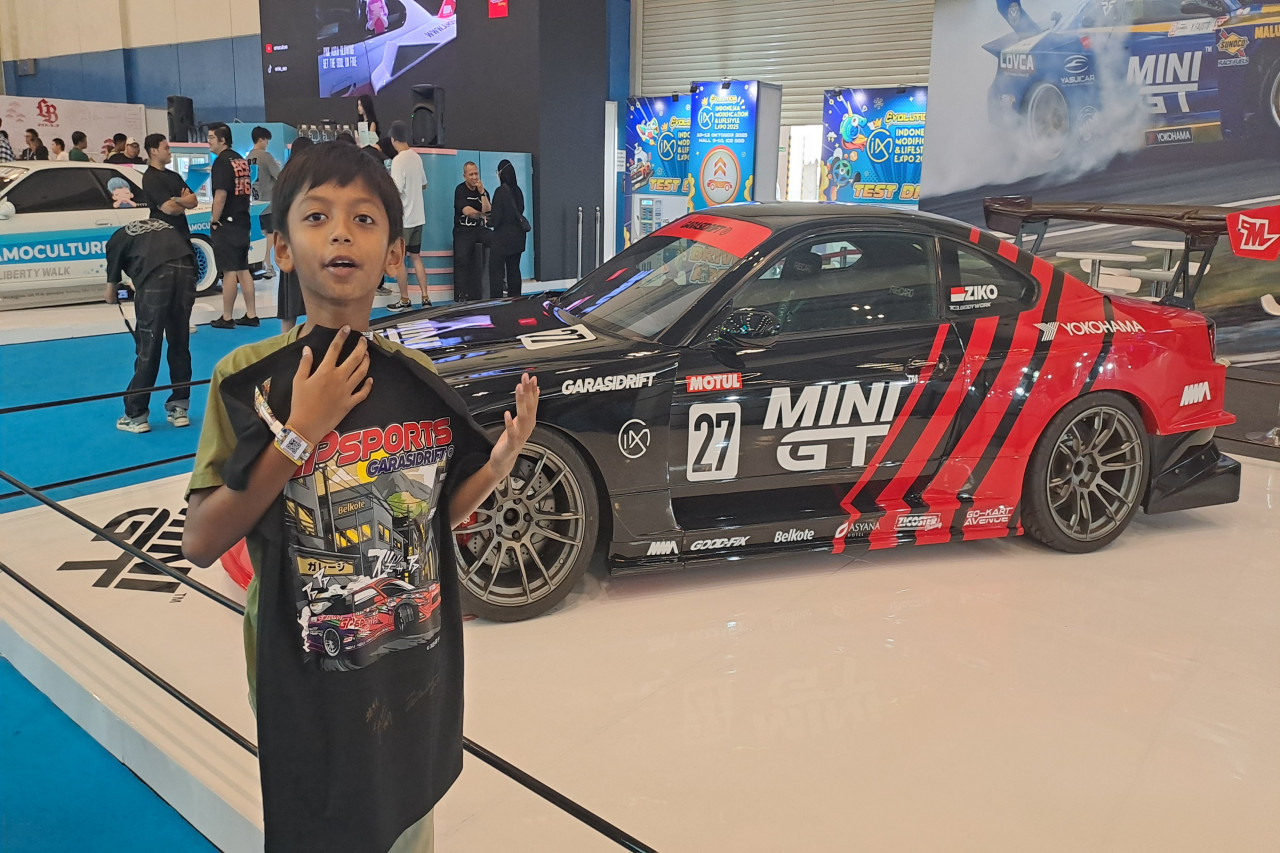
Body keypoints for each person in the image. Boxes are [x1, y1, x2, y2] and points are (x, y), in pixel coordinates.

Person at [181, 140, 540, 853]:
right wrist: (300, 433)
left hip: (410, 664)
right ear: (283, 248)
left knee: (406, 820)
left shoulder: (412, 377)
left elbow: (432, 518)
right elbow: (201, 539)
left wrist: (499, 462)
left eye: (364, 219)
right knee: (324, 822)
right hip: (303, 671)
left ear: (393, 253)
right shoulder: (250, 379)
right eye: (317, 216)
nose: (341, 233)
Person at [104, 212, 198, 434]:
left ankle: (135, 415)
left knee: (149, 346)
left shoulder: (115, 243)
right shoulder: (158, 228)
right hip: (187, 269)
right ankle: (179, 408)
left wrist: (119, 292)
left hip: (157, 275)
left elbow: (110, 294)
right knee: (179, 341)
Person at [206, 123, 259, 329]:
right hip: (242, 219)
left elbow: (220, 195)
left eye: (212, 137)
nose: (208, 141)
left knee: (229, 270)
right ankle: (251, 313)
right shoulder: (240, 159)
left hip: (227, 222)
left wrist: (214, 219)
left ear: (222, 140)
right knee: (243, 268)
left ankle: (227, 316)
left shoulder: (221, 162)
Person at [387, 120, 430, 311]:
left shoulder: (398, 160)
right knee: (416, 257)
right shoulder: (416, 157)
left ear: (393, 139)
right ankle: (425, 297)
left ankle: (404, 299)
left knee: (399, 261)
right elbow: (424, 184)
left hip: (404, 219)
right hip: (419, 218)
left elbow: (395, 190)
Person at [274, 136, 313, 333]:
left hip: (290, 242)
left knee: (289, 306)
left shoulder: (285, 176)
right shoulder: (313, 177)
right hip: (312, 244)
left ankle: (286, 344)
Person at [141, 133, 198, 249]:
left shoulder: (174, 176)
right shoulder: (150, 178)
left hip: (182, 235)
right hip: (164, 238)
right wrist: (184, 203)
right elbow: (169, 209)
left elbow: (193, 201)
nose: (169, 152)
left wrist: (176, 199)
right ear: (154, 151)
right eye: (166, 148)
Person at [452, 161, 491, 302]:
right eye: (471, 174)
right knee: (461, 259)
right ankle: (461, 294)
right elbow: (468, 211)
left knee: (498, 241)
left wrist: (482, 194)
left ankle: (499, 283)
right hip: (463, 230)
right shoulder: (460, 190)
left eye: (476, 174)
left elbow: (488, 211)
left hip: (479, 229)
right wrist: (482, 215)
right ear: (465, 176)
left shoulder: (483, 191)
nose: (475, 177)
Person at [488, 159, 527, 299]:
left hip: (503, 238)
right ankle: (516, 300)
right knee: (514, 270)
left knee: (496, 271)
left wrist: (486, 221)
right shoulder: (518, 191)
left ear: (501, 174)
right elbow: (521, 209)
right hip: (518, 236)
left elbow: (495, 219)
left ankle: (497, 302)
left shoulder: (500, 192)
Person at [247, 126, 282, 278]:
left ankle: (265, 265)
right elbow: (279, 175)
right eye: (266, 140)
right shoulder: (265, 156)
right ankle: (266, 263)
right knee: (271, 234)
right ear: (261, 139)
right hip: (269, 202)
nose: (267, 144)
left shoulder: (248, 157)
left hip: (255, 203)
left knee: (261, 234)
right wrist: (277, 165)